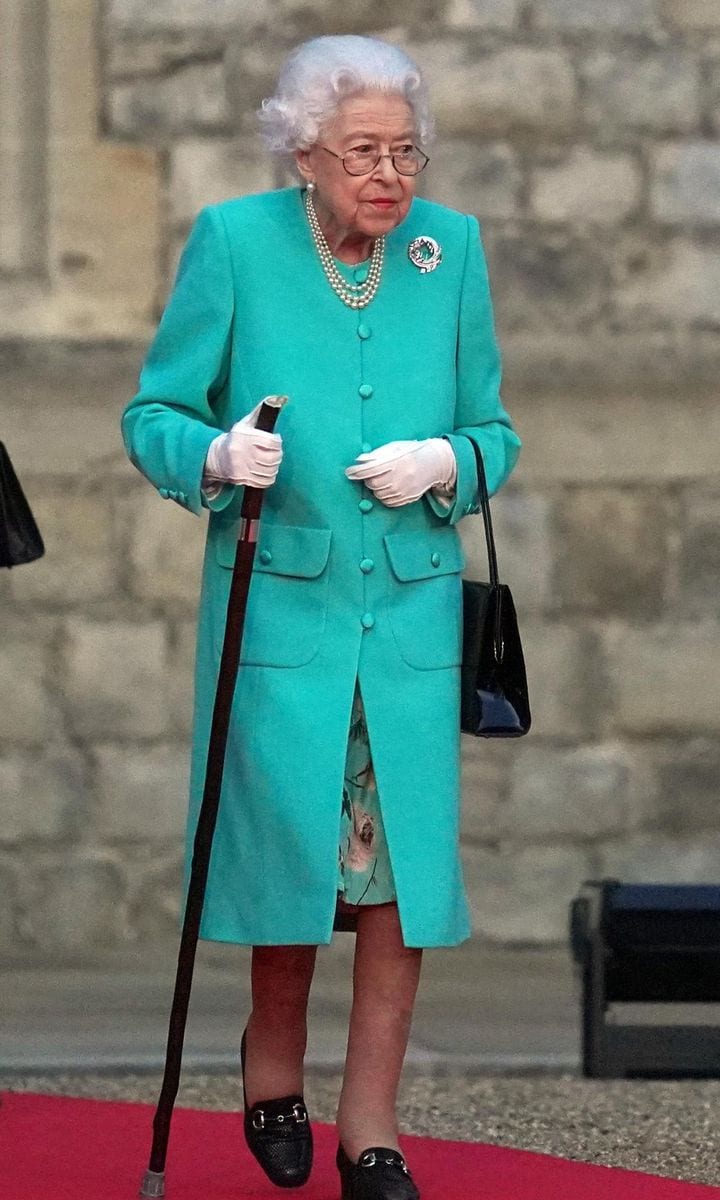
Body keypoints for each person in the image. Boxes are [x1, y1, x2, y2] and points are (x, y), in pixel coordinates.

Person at [121, 32, 521, 1200]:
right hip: (282, 622)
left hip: (404, 624)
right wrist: (215, 450)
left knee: (396, 885)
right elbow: (154, 411)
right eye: (363, 153)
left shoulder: (454, 252)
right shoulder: (236, 243)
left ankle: (374, 1129)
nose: (390, 176)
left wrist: (446, 459)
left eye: (406, 151)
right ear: (305, 152)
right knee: (293, 859)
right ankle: (271, 1065)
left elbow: (497, 431)